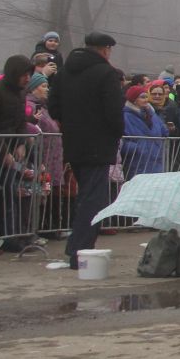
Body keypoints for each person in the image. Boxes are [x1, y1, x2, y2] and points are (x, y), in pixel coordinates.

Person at [46, 31, 126, 268]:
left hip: (74, 142)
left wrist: (71, 124)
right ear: (105, 50)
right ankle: (79, 250)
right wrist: (115, 132)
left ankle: (76, 246)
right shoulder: (106, 73)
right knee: (93, 199)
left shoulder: (64, 73)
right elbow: (113, 110)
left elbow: (54, 107)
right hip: (98, 143)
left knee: (84, 197)